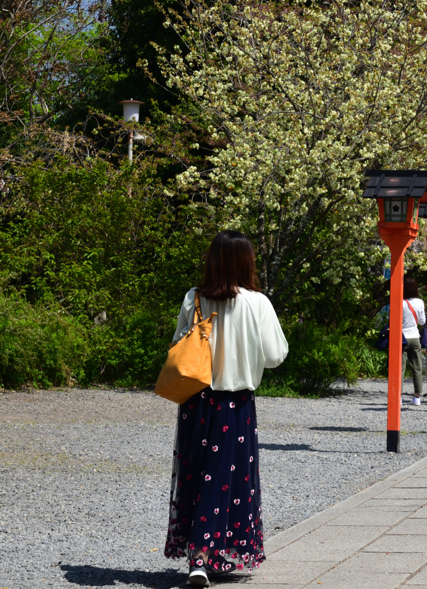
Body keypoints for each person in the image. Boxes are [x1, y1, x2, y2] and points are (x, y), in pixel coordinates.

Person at [165, 230, 289, 587]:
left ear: (213, 261)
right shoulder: (257, 303)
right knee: (225, 479)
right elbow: (276, 355)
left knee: (197, 475)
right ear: (246, 262)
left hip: (195, 401)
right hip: (235, 404)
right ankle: (203, 556)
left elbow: (177, 345)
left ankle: (206, 554)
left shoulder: (194, 298)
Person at [401, 278, 426, 405]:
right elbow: (422, 321)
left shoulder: (400, 302)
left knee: (400, 369)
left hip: (402, 338)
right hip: (415, 337)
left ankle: (398, 397)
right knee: (417, 368)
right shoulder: (420, 302)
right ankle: (417, 397)